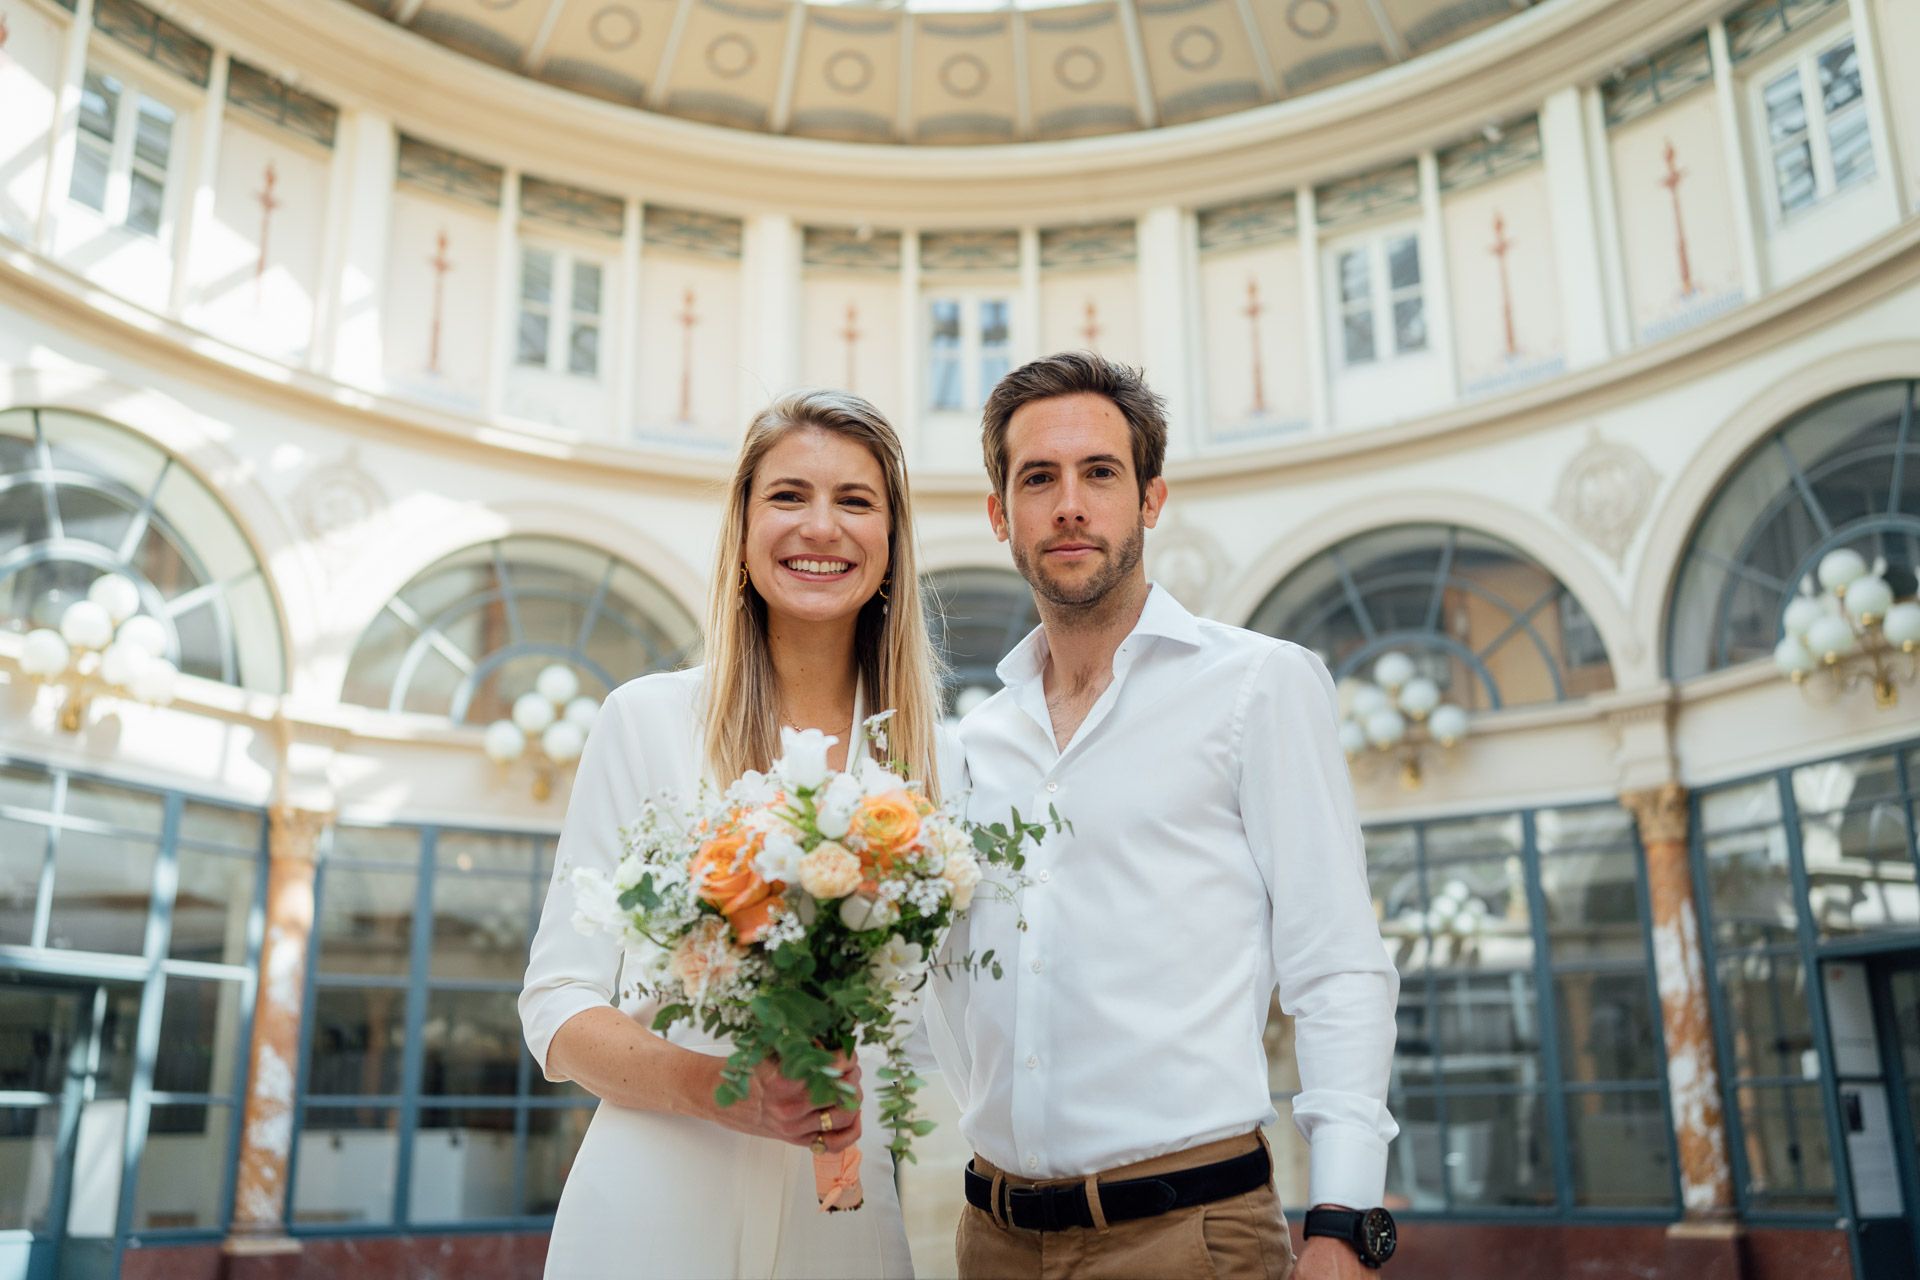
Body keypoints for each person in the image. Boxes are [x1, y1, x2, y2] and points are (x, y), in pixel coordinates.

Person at [931, 352, 1400, 1279]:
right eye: (1039, 479)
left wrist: (1345, 1222)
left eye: (1100, 473)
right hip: (991, 1239)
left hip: (1186, 1234)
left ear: (1150, 500)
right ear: (1001, 515)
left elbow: (1337, 961)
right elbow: (952, 994)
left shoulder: (1258, 686)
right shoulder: (971, 742)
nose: (1070, 504)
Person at [520, 390, 951, 1279]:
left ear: (892, 543)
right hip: (650, 1213)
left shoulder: (931, 763)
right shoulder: (644, 720)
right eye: (789, 496)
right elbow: (557, 1005)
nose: (821, 527)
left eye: (856, 501)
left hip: (847, 1223)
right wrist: (726, 1093)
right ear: (744, 531)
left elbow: (950, 1030)